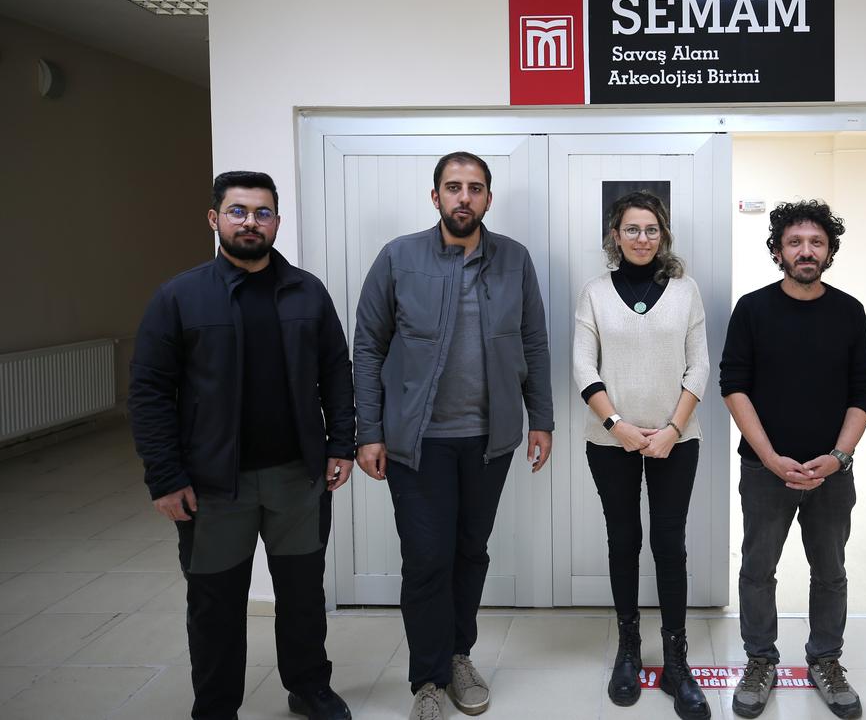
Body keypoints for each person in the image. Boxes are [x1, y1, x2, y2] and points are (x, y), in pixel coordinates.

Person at [129, 170, 355, 720]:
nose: (250, 222)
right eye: (238, 211)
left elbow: (337, 372)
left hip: (296, 478)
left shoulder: (307, 291)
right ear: (214, 218)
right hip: (211, 486)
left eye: (262, 213)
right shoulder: (179, 297)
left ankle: (308, 687)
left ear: (276, 221)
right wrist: (165, 476)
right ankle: (216, 705)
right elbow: (150, 392)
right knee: (215, 604)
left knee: (302, 596)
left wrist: (340, 444)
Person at [352, 151, 554, 720]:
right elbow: (367, 345)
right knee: (425, 558)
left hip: (490, 440)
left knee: (470, 551)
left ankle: (459, 656)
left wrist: (541, 419)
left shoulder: (513, 259)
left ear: (488, 198)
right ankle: (428, 681)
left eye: (475, 188)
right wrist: (368, 429)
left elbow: (534, 343)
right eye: (452, 187)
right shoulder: (399, 257)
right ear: (434, 195)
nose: (463, 197)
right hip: (416, 441)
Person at [720, 200, 866, 720]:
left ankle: (825, 661)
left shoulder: (849, 311)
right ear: (778, 250)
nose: (805, 251)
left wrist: (836, 457)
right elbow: (733, 386)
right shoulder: (753, 309)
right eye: (794, 242)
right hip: (765, 471)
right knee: (758, 569)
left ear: (829, 250)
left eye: (816, 242)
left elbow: (864, 394)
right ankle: (760, 661)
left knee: (829, 570)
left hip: (832, 473)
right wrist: (768, 458)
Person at [572, 191, 711, 720]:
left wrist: (672, 428)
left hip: (678, 439)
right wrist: (618, 426)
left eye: (651, 230)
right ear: (615, 235)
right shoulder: (594, 293)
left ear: (663, 235)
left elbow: (698, 366)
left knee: (668, 543)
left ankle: (676, 659)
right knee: (624, 539)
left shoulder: (686, 290)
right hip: (612, 442)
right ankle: (629, 650)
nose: (642, 239)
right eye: (632, 229)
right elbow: (585, 368)